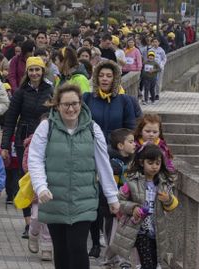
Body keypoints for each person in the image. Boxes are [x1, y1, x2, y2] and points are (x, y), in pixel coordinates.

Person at [28, 84, 120, 269]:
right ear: (57, 105)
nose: (71, 109)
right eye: (66, 105)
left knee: (77, 247)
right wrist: (41, 187)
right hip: (55, 198)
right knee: (61, 250)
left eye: (75, 104)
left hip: (83, 199)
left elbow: (103, 164)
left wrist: (112, 196)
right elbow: (35, 159)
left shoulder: (92, 129)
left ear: (81, 104)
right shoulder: (47, 127)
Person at [1, 56, 53, 238]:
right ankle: (28, 221)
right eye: (31, 70)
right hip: (24, 139)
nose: (34, 73)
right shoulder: (20, 92)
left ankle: (41, 219)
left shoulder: (50, 90)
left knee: (41, 178)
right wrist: (5, 145)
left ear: (43, 70)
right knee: (25, 179)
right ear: (27, 72)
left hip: (45, 139)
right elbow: (10, 119)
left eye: (37, 69)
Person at [109, 143, 178, 269]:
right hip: (139, 228)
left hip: (156, 228)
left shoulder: (163, 183)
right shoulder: (132, 181)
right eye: (150, 163)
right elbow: (120, 201)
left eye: (157, 163)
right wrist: (134, 208)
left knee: (154, 262)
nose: (154, 167)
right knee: (147, 263)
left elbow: (172, 205)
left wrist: (168, 199)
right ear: (142, 163)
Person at [89, 128, 136, 260]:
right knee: (112, 234)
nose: (134, 144)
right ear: (121, 146)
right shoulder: (113, 164)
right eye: (131, 142)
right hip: (112, 207)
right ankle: (110, 260)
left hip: (127, 206)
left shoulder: (133, 161)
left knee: (123, 235)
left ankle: (119, 260)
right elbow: (109, 188)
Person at [22, 113, 53, 261]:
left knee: (47, 219)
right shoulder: (33, 142)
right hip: (36, 186)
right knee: (36, 216)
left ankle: (47, 248)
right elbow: (28, 162)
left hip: (53, 186)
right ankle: (33, 234)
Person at [83, 60, 136, 140]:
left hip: (116, 149)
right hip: (92, 147)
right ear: (96, 78)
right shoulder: (87, 98)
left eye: (109, 76)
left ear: (114, 79)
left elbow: (130, 129)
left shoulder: (124, 100)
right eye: (101, 75)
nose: (104, 79)